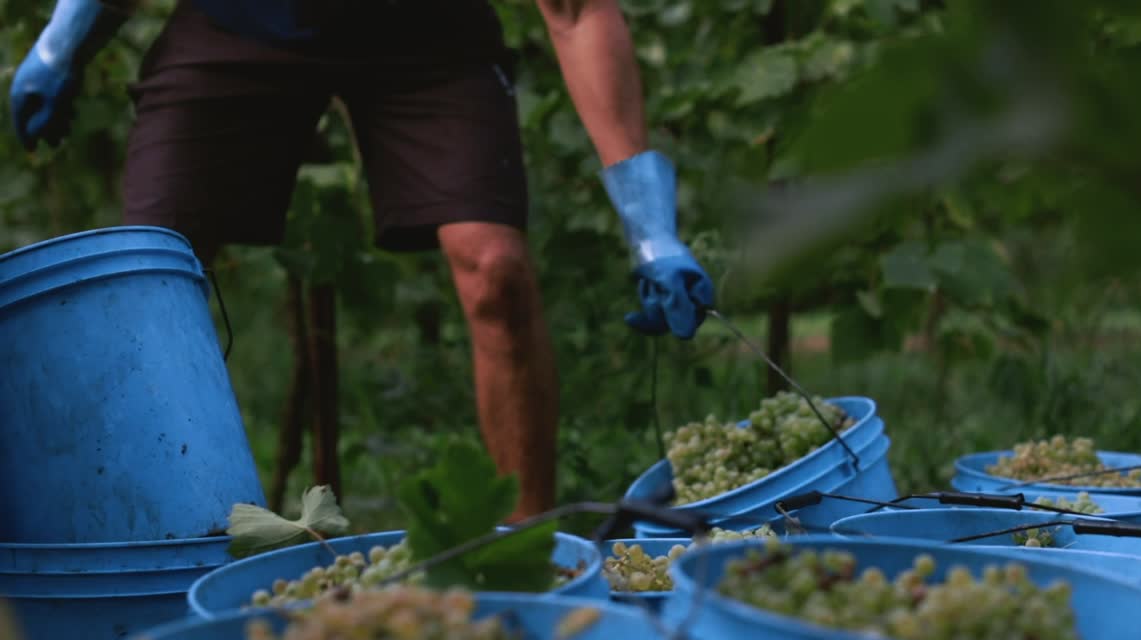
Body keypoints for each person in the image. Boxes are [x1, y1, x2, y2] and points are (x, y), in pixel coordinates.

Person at [9, 0, 716, 521]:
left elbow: (576, 10)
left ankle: (527, 547)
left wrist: (649, 225)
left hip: (429, 35)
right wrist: (63, 41)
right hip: (242, 20)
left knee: (496, 269)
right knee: (150, 279)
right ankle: (161, 542)